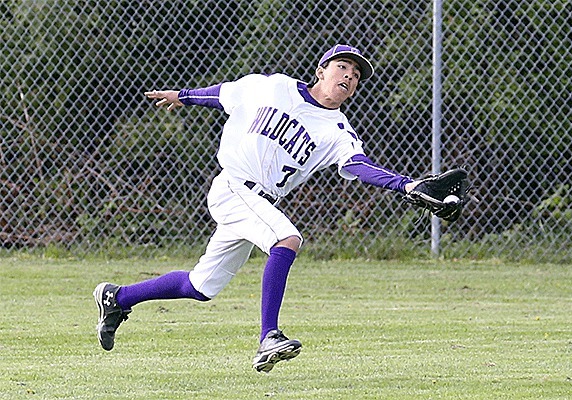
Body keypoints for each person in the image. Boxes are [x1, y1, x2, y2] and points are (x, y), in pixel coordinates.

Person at [94, 44, 423, 373]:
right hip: (233, 185)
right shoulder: (276, 87)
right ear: (321, 71)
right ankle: (269, 337)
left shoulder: (337, 131)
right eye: (342, 67)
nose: (349, 76)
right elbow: (226, 93)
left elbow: (359, 165)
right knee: (287, 239)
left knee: (199, 286)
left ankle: (117, 298)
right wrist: (183, 95)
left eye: (355, 75)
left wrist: (406, 184)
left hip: (258, 202)